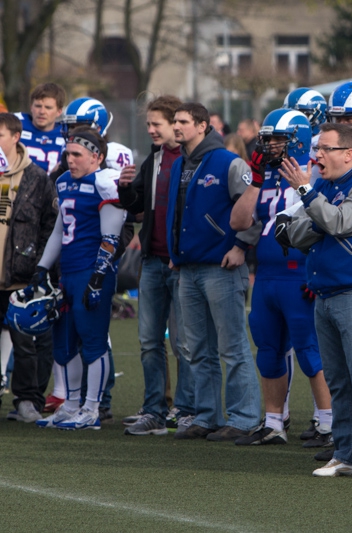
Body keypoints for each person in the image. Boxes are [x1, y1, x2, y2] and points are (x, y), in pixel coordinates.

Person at [279, 122, 352, 479]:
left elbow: (340, 223)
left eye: (326, 149)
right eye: (317, 149)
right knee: (338, 381)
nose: (318, 156)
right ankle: (346, 454)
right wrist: (320, 217)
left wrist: (310, 199)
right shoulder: (324, 187)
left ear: (348, 153)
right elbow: (294, 234)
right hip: (324, 292)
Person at [229, 109, 333, 448]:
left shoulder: (316, 171)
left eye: (277, 139)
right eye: (267, 139)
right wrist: (256, 180)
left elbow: (327, 221)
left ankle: (328, 423)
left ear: (297, 140)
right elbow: (239, 222)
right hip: (267, 275)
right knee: (268, 348)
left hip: (299, 274)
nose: (269, 145)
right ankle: (274, 422)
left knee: (310, 351)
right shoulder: (265, 175)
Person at [166, 103, 262, 441]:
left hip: (221, 268)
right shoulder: (179, 164)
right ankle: (207, 416)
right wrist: (174, 252)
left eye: (183, 121)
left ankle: (244, 417)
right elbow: (177, 214)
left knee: (232, 347)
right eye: (174, 121)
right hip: (188, 268)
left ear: (202, 126)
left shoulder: (228, 162)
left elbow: (253, 209)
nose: (176, 126)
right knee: (197, 349)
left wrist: (241, 246)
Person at [32, 127, 125, 430]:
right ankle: (71, 405)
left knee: (93, 341)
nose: (70, 160)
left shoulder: (105, 182)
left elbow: (111, 237)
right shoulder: (63, 182)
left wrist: (98, 276)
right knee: (64, 342)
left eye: (77, 155)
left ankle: (92, 409)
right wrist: (43, 267)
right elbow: (59, 231)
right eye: (68, 154)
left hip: (91, 271)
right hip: (67, 272)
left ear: (97, 157)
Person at [117, 95, 197, 436]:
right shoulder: (154, 159)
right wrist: (124, 189)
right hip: (152, 262)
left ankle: (187, 409)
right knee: (149, 340)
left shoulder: (193, 159)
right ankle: (154, 411)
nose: (151, 129)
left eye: (157, 124)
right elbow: (137, 207)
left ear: (176, 124)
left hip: (181, 264)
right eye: (148, 124)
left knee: (184, 344)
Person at [0, 113, 58, 422]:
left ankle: (26, 399)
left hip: (20, 276)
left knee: (26, 344)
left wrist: (39, 264)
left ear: (15, 137)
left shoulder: (37, 177)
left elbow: (51, 224)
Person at [15, 83, 66, 173]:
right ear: (31, 107)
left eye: (48, 108)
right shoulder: (15, 124)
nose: (42, 112)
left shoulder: (66, 134)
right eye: (38, 106)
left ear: (59, 111)